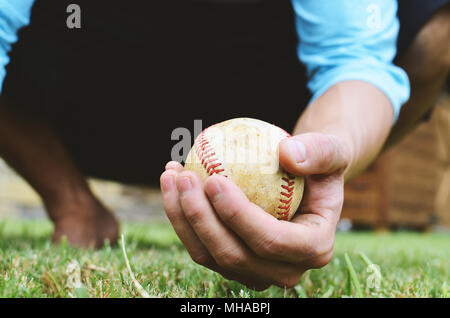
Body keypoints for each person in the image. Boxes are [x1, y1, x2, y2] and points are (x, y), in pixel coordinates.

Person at [0, 0, 448, 290]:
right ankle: (72, 202)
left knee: (436, 29)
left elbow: (353, 60)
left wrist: (321, 152)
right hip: (86, 98)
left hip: (266, 118)